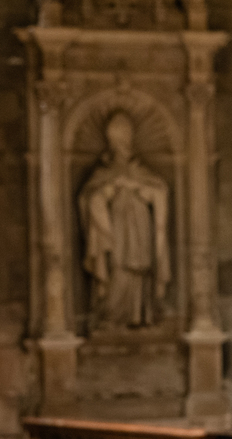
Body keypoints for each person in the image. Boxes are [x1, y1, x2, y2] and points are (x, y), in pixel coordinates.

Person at [79, 111, 171, 329]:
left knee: (141, 268)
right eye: (117, 137)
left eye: (125, 136)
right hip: (116, 229)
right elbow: (89, 199)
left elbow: (159, 192)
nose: (122, 143)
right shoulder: (104, 172)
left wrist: (138, 187)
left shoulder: (141, 171)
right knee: (117, 267)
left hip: (140, 226)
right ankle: (112, 316)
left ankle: (140, 315)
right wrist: (110, 189)